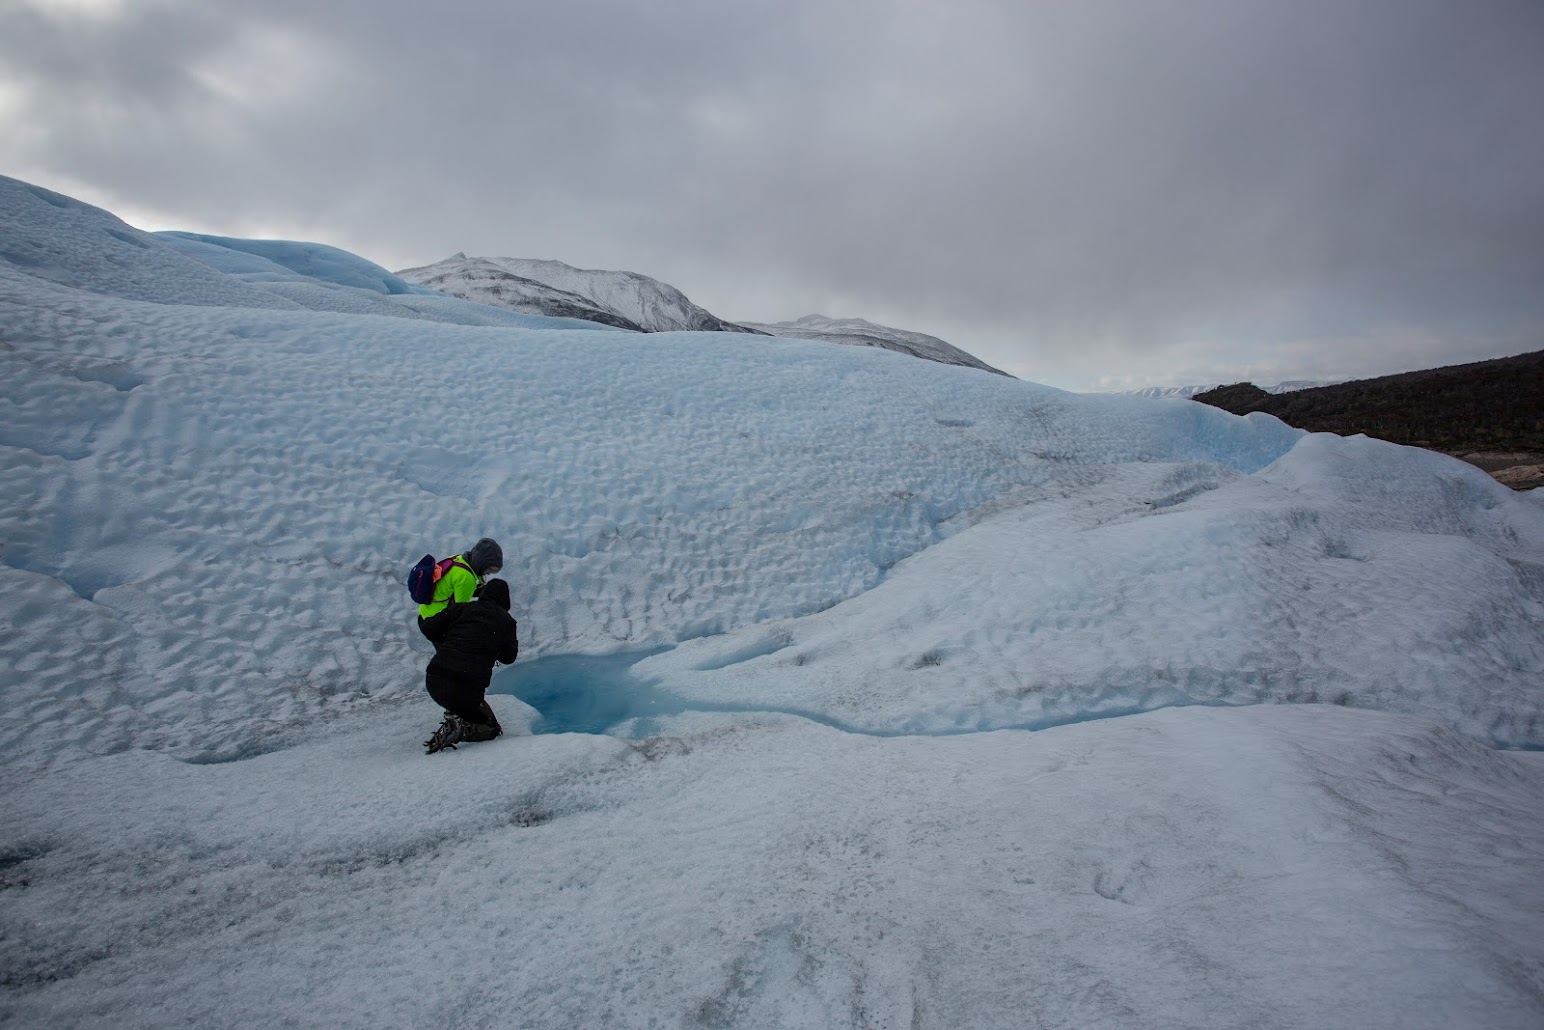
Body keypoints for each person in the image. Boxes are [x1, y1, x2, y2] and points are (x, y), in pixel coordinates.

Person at [421, 577, 519, 754]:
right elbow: (509, 657)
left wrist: (452, 639)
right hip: (465, 686)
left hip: (434, 678)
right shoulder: (506, 622)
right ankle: (462, 727)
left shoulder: (462, 609)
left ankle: (455, 716)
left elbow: (429, 627)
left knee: (458, 690)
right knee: (491, 728)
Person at [417, 537, 503, 640]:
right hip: (434, 623)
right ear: (482, 562)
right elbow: (460, 612)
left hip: (425, 613)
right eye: (489, 569)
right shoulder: (466, 578)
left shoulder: (458, 559)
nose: (488, 573)